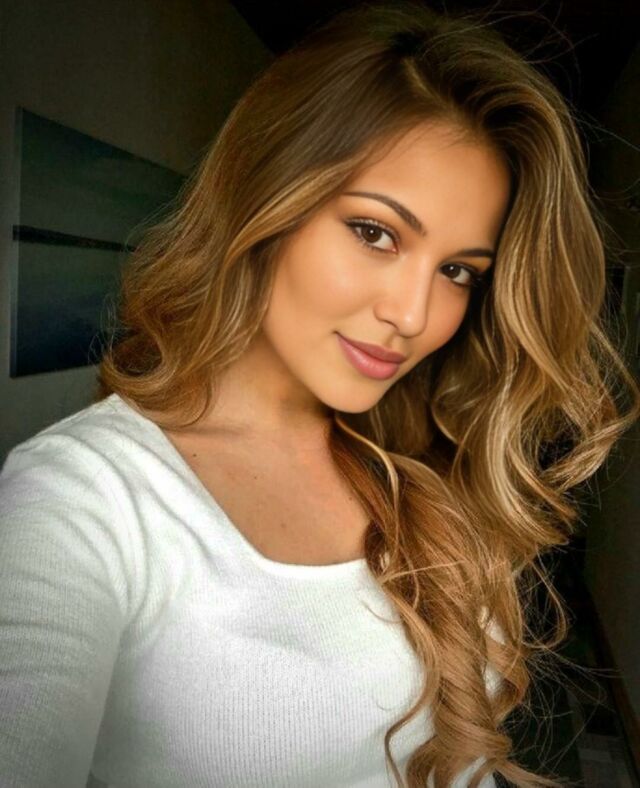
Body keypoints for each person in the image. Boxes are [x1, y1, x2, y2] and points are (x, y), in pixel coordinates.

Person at [1, 2, 637, 787]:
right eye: (375, 232)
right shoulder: (82, 499)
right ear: (265, 197)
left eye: (457, 271)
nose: (413, 315)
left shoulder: (419, 467)